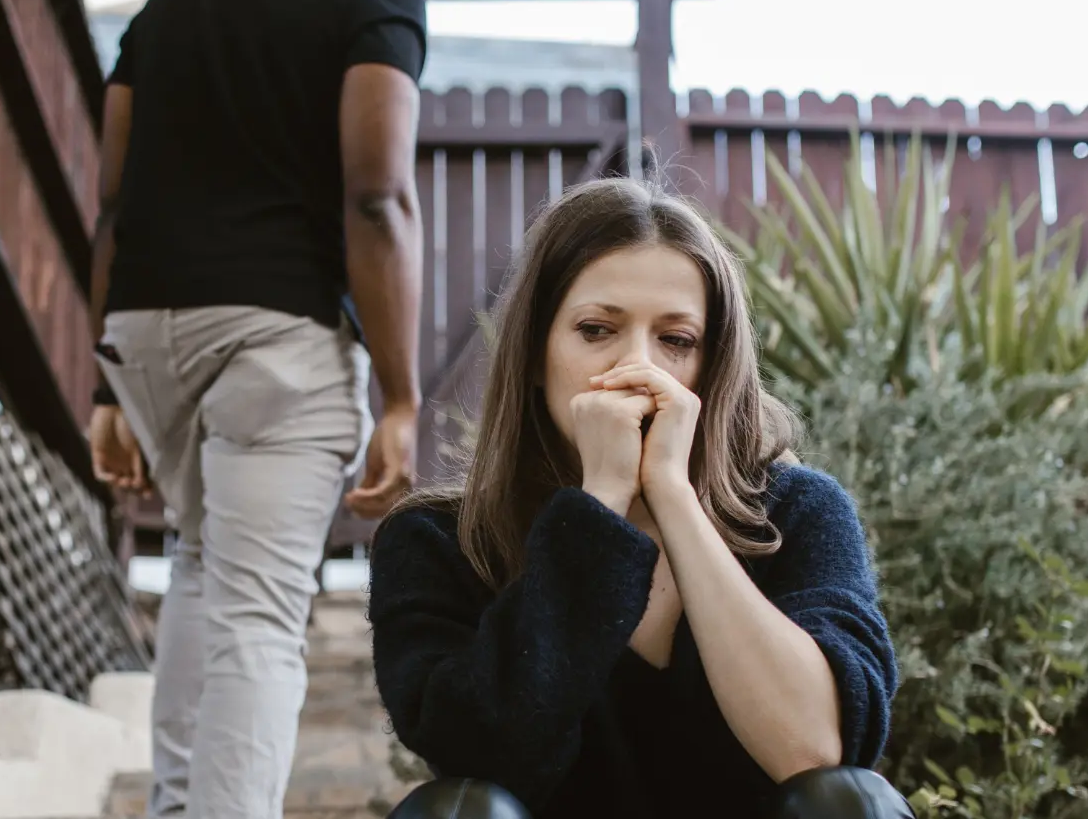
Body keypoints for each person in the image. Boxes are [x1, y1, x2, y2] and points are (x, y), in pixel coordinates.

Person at [85, 0, 467, 817]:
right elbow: (378, 196)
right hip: (279, 339)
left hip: (151, 335)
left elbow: (112, 201)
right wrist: (400, 392)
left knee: (205, 571)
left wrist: (101, 382)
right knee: (258, 611)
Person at [368, 179, 908, 819]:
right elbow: (484, 756)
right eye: (596, 330)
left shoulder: (799, 512)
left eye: (676, 341)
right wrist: (599, 506)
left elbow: (816, 751)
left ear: (712, 367)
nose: (637, 369)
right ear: (538, 353)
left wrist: (673, 496)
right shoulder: (438, 540)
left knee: (846, 801)